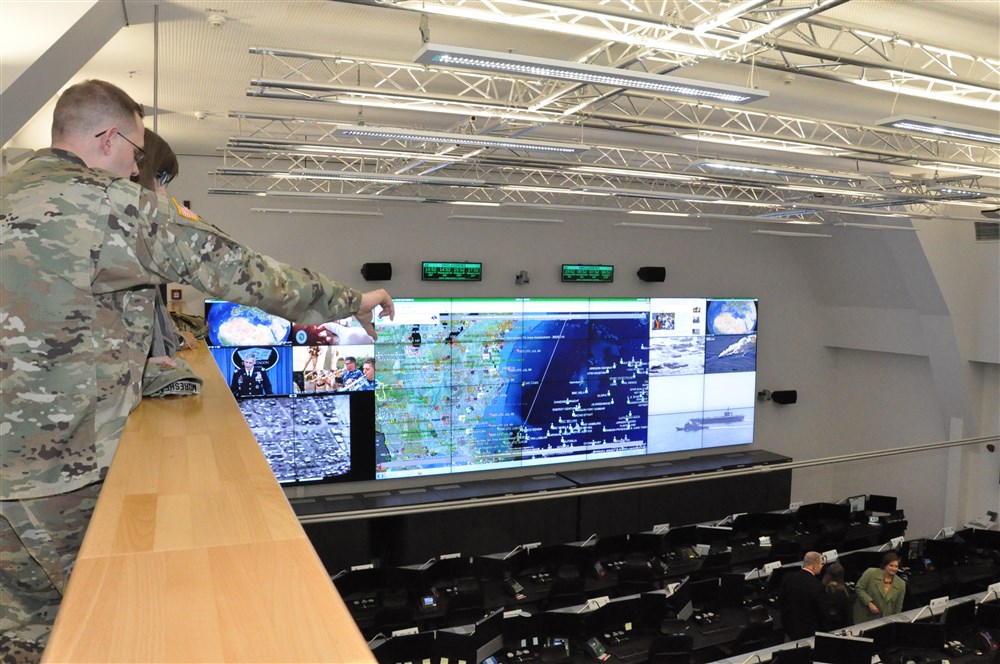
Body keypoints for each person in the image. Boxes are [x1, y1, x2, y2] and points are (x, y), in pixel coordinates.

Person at [0, 79, 394, 661]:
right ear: (109, 138)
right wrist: (349, 301)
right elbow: (242, 271)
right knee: (113, 633)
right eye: (137, 152)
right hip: (56, 472)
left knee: (23, 631)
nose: (137, 166)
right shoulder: (110, 207)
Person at [778, 550, 825, 640]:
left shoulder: (788, 578)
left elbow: (781, 601)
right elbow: (822, 611)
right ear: (814, 566)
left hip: (789, 627)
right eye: (821, 564)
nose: (822, 567)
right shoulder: (817, 585)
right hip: (808, 631)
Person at [853, 551, 906, 625]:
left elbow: (898, 607)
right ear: (885, 565)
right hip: (865, 618)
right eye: (891, 565)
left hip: (884, 621)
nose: (894, 569)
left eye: (896, 566)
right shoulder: (871, 573)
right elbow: (859, 588)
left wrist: (895, 622)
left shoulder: (901, 584)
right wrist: (869, 603)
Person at [818, 561, 853, 630]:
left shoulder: (822, 588)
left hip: (826, 626)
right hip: (841, 626)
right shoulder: (842, 592)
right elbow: (848, 614)